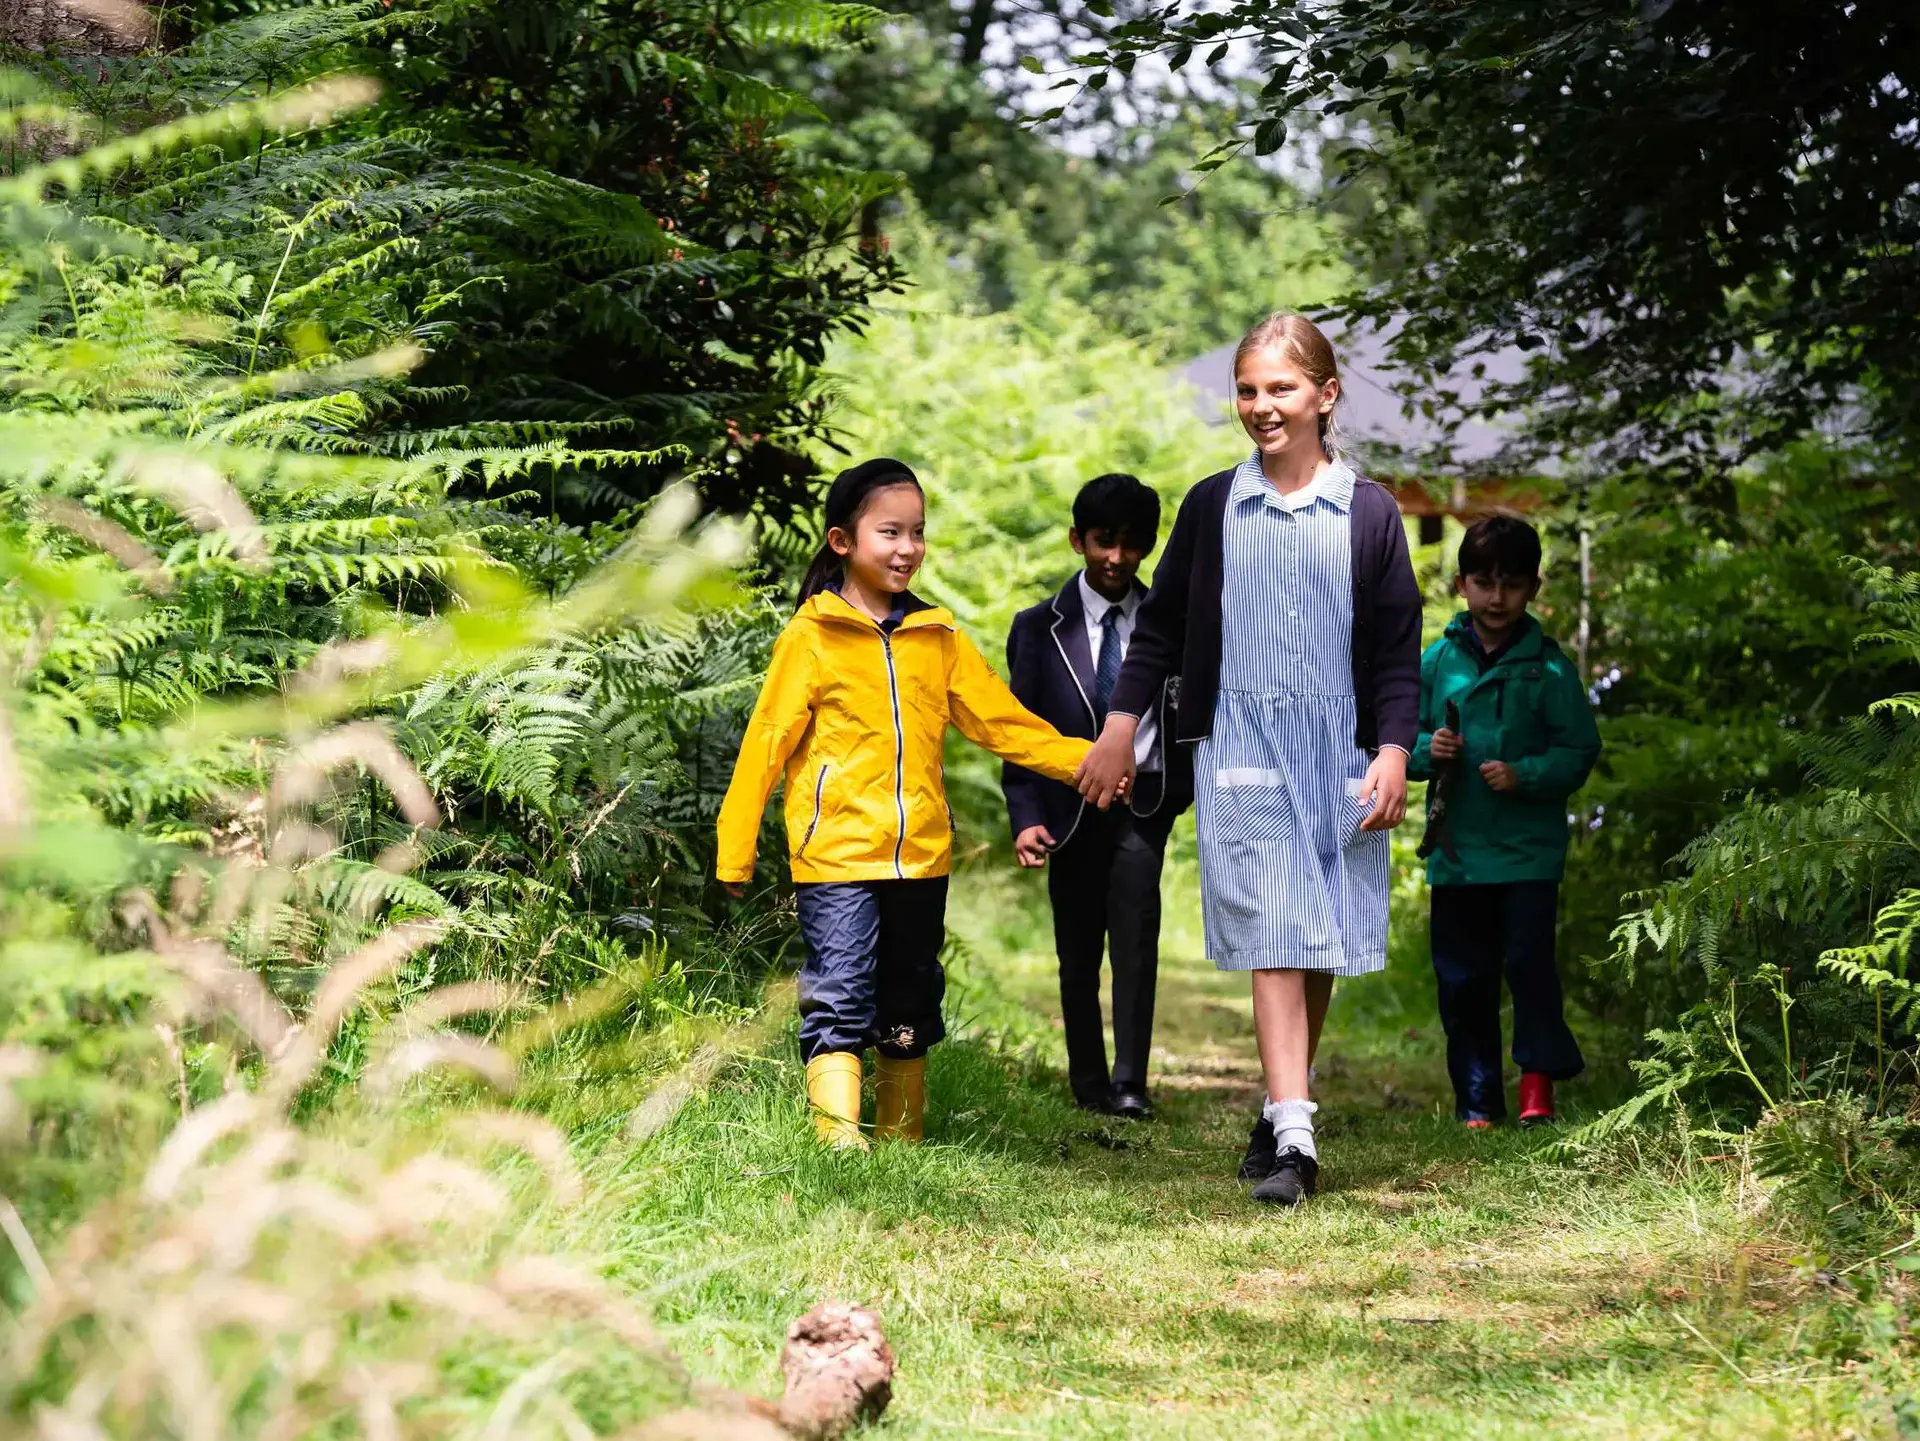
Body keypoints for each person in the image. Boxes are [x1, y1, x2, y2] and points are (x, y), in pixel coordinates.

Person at [1075, 313, 1422, 1206]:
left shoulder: (1370, 513)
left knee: (1322, 934)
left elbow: (1393, 648)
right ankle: (1298, 1139)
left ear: (1324, 395)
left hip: (1340, 748)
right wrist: (1120, 724)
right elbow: (1159, 630)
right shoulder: (1211, 505)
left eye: (1281, 388)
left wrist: (1392, 749)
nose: (1262, 406)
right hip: (1242, 741)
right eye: (1248, 389)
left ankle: (1278, 1107)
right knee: (1276, 924)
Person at [716, 458, 1094, 1150]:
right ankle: (838, 1140)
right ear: (842, 541)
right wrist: (734, 846)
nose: (907, 548)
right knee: (839, 990)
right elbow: (765, 743)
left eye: (916, 532)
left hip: (920, 856)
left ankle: (901, 1141)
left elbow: (1001, 722)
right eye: (889, 532)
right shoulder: (812, 635)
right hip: (834, 857)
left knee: (911, 998)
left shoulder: (937, 637)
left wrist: (1085, 762)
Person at [1002, 473, 1194, 1118]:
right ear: (1077, 540)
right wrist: (1025, 815)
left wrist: (1175, 789)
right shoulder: (1036, 628)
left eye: (1132, 545)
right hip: (1066, 810)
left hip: (1144, 806)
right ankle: (1087, 1081)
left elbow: (1187, 715)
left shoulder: (1169, 626)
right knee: (1076, 947)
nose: (1116, 558)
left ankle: (1131, 1081)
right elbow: (1019, 731)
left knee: (1137, 939)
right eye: (1103, 542)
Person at [1408, 515, 1601, 1128]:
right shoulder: (1437, 661)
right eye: (1484, 583)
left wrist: (1526, 775)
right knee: (1463, 980)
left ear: (1533, 589)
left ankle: (1537, 1087)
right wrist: (1424, 752)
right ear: (1461, 584)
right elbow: (1393, 741)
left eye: (1512, 585)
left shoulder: (1548, 668)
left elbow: (1578, 750)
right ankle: (1477, 1099)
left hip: (1527, 853)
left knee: (1528, 967)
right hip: (1458, 853)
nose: (1497, 598)